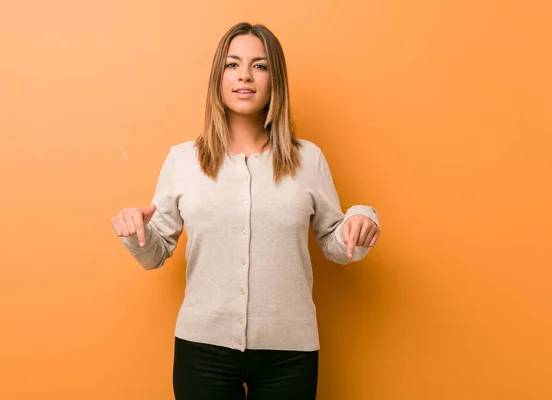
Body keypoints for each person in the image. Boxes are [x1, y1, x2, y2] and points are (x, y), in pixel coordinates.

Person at [111, 21, 381, 400]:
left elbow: (336, 244)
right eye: (233, 64)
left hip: (289, 354)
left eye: (260, 65)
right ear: (218, 78)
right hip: (202, 351)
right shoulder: (182, 160)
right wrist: (134, 234)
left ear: (275, 81)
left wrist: (361, 219)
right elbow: (156, 253)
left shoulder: (309, 160)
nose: (245, 76)